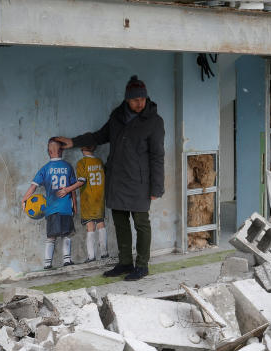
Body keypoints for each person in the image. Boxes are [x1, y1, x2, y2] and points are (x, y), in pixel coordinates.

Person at [55, 75, 164, 281]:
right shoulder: (117, 117)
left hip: (140, 182)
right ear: (127, 100)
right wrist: (73, 142)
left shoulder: (154, 122)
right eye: (134, 99)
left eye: (142, 99)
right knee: (120, 223)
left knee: (141, 223)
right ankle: (124, 263)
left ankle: (142, 265)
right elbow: (98, 136)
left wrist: (156, 188)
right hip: (117, 180)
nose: (139, 103)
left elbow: (158, 156)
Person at [20, 138, 84, 269]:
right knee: (66, 234)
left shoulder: (45, 169)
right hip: (66, 208)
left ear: (49, 152)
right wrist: (75, 206)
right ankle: (67, 260)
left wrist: (24, 200)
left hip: (51, 209)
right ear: (61, 151)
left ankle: (47, 263)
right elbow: (73, 189)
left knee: (51, 236)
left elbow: (33, 187)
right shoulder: (68, 166)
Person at [76, 145, 110, 263]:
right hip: (99, 198)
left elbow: (81, 181)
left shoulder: (81, 163)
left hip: (88, 200)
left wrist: (69, 189)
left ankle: (91, 256)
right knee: (101, 223)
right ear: (94, 148)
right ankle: (104, 253)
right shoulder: (99, 162)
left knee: (90, 226)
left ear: (82, 149)